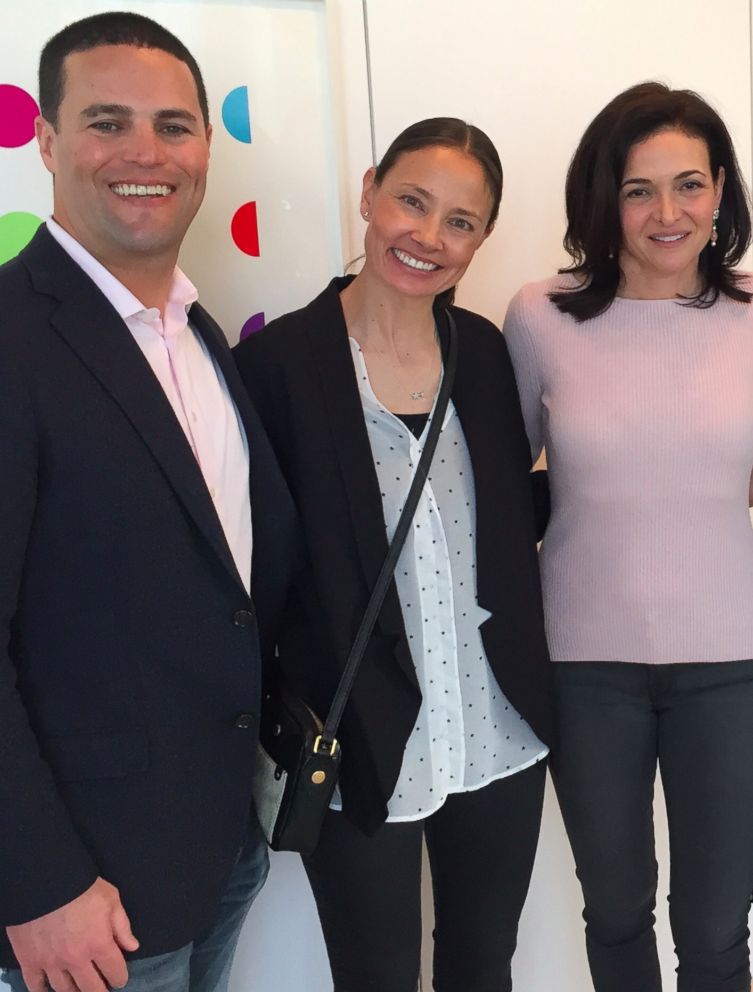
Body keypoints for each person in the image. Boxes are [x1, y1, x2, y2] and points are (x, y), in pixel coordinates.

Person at [0, 12, 298, 992]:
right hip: (83, 900)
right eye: (106, 121)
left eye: (173, 126)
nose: (144, 152)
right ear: (46, 141)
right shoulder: (11, 333)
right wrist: (33, 883)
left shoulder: (197, 332)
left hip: (213, 856)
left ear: (206, 148)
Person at [234, 118, 553, 992]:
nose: (429, 236)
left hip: (496, 724)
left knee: (483, 964)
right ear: (369, 192)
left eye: (461, 220)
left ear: (480, 239)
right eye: (412, 201)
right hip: (357, 734)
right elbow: (257, 563)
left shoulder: (484, 353)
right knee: (373, 977)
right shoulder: (275, 366)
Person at [503, 81, 753, 992]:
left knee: (717, 927)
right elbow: (498, 487)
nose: (665, 212)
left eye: (687, 184)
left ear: (719, 189)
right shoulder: (541, 313)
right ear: (603, 197)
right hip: (583, 666)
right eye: (637, 188)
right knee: (613, 912)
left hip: (733, 666)